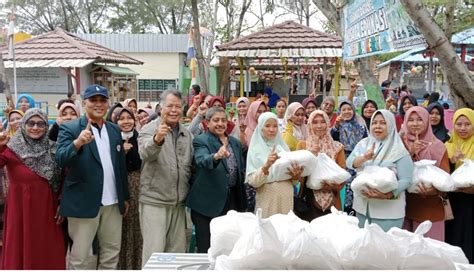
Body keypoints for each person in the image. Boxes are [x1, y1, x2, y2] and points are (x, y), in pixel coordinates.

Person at [56, 84, 130, 270]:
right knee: (80, 256)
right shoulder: (71, 128)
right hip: (83, 201)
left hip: (112, 203)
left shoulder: (113, 130)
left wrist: (125, 196)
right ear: (84, 103)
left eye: (102, 100)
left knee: (111, 252)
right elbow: (60, 158)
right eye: (93, 100)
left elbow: (120, 167)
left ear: (108, 103)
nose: (98, 104)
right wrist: (78, 142)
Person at [0, 109, 65, 269]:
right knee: (19, 247)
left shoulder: (54, 149)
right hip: (20, 210)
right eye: (30, 123)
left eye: (41, 123)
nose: (35, 127)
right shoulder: (11, 148)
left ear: (46, 126)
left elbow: (64, 178)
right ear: (23, 125)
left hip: (47, 210)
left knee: (46, 248)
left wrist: (62, 203)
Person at [138, 89, 193, 266]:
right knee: (154, 254)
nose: (174, 110)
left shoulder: (187, 134)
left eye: (178, 106)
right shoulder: (149, 129)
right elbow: (145, 153)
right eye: (170, 106)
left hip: (179, 204)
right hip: (155, 201)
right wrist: (158, 139)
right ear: (161, 108)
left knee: (176, 255)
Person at [187, 107, 247, 253]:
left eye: (223, 120)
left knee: (228, 248)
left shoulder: (235, 143)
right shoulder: (201, 140)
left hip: (231, 201)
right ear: (207, 123)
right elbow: (202, 160)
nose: (220, 124)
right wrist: (216, 156)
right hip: (206, 204)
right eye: (216, 120)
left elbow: (240, 170)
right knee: (207, 249)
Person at [346, 110, 414, 231]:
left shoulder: (398, 149)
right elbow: (350, 163)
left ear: (391, 125)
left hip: (388, 213)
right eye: (374, 122)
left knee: (385, 248)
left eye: (383, 123)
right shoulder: (364, 144)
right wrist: (364, 157)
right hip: (362, 209)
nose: (377, 126)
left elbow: (407, 179)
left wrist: (387, 195)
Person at [400, 107, 450, 241]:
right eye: (410, 120)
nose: (415, 124)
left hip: (431, 209)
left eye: (419, 120)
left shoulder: (438, 146)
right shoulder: (400, 145)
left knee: (430, 254)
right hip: (405, 208)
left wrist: (433, 190)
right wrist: (410, 152)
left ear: (427, 122)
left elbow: (446, 178)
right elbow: (395, 172)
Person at [246, 112, 303, 218]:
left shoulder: (283, 147)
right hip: (267, 202)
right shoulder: (255, 150)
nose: (271, 129)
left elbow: (294, 181)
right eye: (267, 126)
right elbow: (253, 182)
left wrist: (295, 175)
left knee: (284, 232)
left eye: (275, 126)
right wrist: (266, 165)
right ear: (260, 128)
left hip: (286, 201)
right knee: (267, 231)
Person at [295, 110, 346, 221]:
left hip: (333, 198)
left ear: (328, 124)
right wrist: (309, 155)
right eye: (315, 122)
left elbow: (343, 174)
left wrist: (332, 185)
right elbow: (297, 175)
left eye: (322, 122)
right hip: (308, 199)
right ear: (309, 125)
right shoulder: (303, 145)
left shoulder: (337, 147)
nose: (319, 126)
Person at [113, 107, 143, 270]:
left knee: (137, 226)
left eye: (129, 118)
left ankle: (136, 265)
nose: (126, 121)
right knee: (120, 226)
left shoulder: (140, 138)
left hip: (138, 187)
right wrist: (121, 153)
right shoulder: (112, 139)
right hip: (118, 187)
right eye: (121, 118)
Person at [444, 108, 474, 264]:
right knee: (453, 235)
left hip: (471, 200)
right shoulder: (448, 146)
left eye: (467, 124)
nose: (462, 128)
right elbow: (441, 174)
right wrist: (452, 161)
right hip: (453, 201)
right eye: (459, 124)